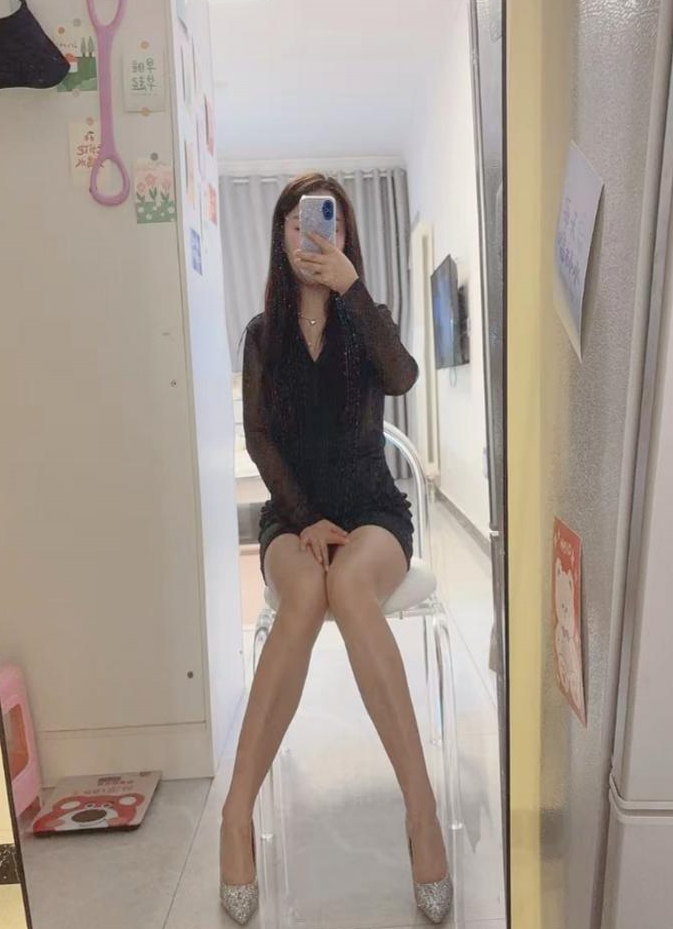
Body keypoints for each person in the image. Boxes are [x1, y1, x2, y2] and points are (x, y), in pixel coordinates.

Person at [219, 174, 452, 925]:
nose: (310, 233)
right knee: (305, 596)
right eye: (296, 221)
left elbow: (403, 376)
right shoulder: (263, 335)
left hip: (373, 510)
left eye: (326, 222)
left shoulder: (366, 318)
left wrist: (353, 291)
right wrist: (304, 516)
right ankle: (235, 814)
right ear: (280, 237)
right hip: (293, 516)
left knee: (349, 587)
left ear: (346, 235)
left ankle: (420, 810)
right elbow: (259, 437)